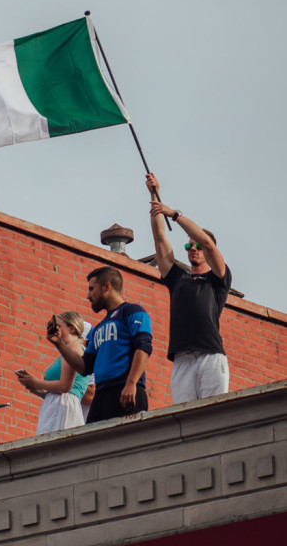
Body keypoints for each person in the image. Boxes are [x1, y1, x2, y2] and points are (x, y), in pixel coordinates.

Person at [146, 172, 231, 403]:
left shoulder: (217, 279)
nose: (193, 249)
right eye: (188, 246)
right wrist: (154, 196)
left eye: (197, 246)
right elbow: (159, 238)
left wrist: (173, 214)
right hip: (182, 357)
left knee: (213, 414)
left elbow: (206, 243)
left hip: (210, 355)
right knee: (184, 417)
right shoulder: (178, 278)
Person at [51, 266, 153, 423]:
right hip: (101, 397)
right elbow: (85, 366)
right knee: (93, 445)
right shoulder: (98, 328)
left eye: (92, 289)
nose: (88, 295)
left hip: (126, 391)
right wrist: (59, 344)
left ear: (107, 286)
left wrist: (131, 383)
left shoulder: (132, 311)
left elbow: (143, 348)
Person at [15, 311, 91, 434]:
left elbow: (65, 387)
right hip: (57, 405)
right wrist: (38, 391)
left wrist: (35, 382)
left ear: (72, 328)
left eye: (59, 326)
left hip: (63, 407)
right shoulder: (67, 351)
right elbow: (59, 392)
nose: (56, 330)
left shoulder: (73, 348)